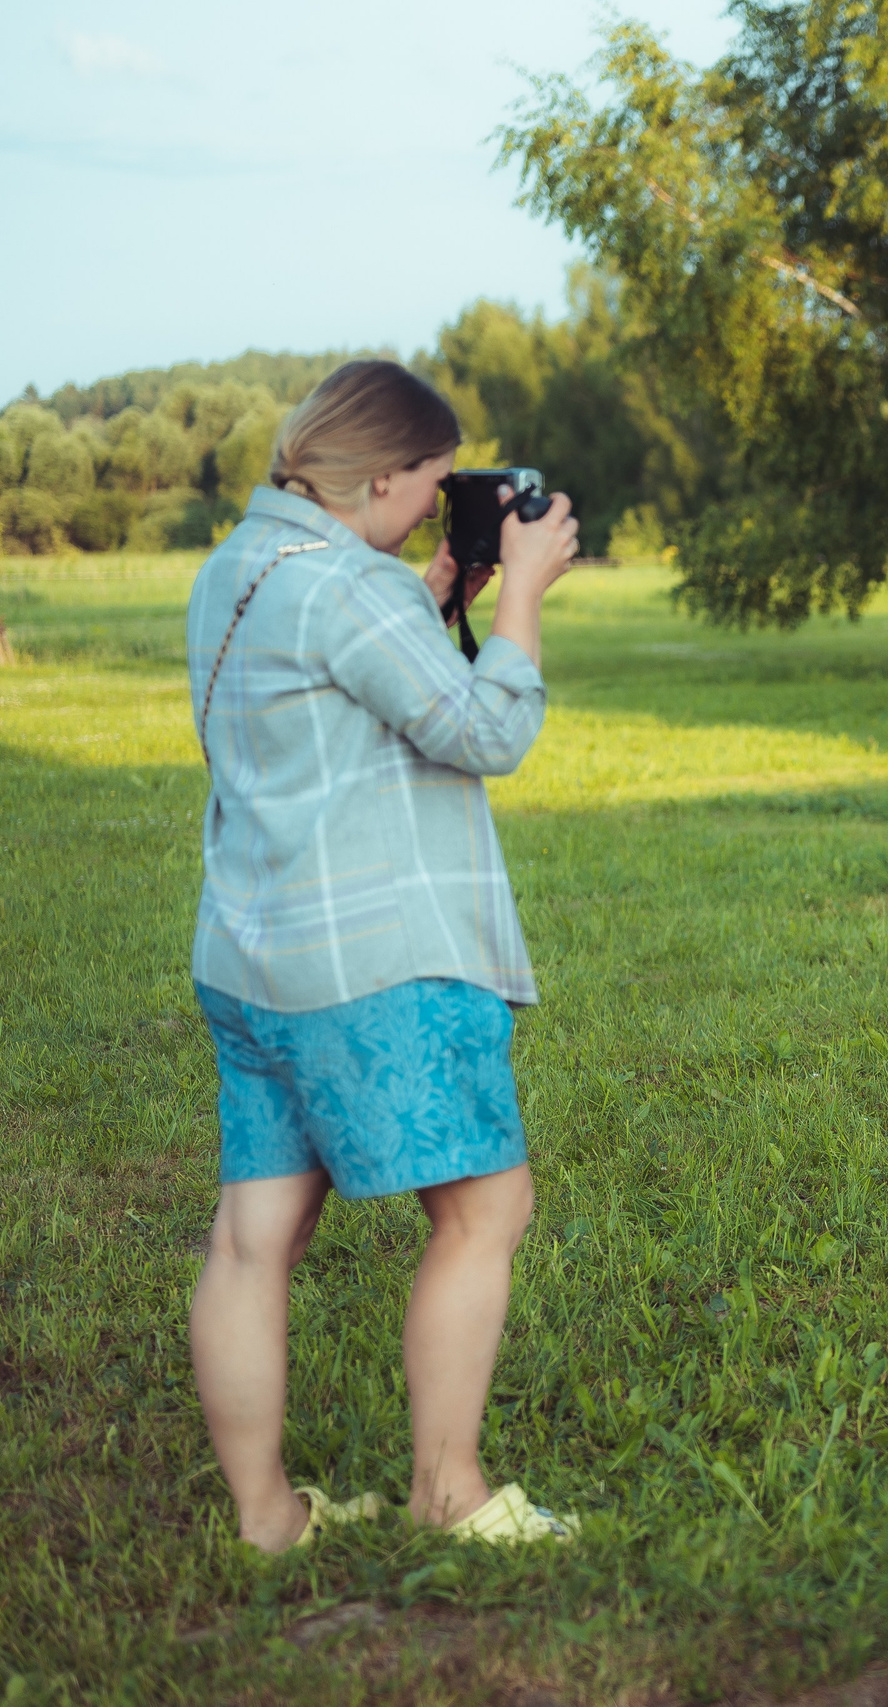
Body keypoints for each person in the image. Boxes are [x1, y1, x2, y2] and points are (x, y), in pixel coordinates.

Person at [187, 360, 582, 1552]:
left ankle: (267, 1520)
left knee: (253, 1243)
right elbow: (487, 731)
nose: (435, 500)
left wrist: (431, 598)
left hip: (254, 963)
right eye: (427, 480)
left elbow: (333, 692)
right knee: (483, 1210)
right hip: (375, 967)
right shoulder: (350, 590)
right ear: (373, 473)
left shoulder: (239, 569)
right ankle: (450, 1492)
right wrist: (519, 600)